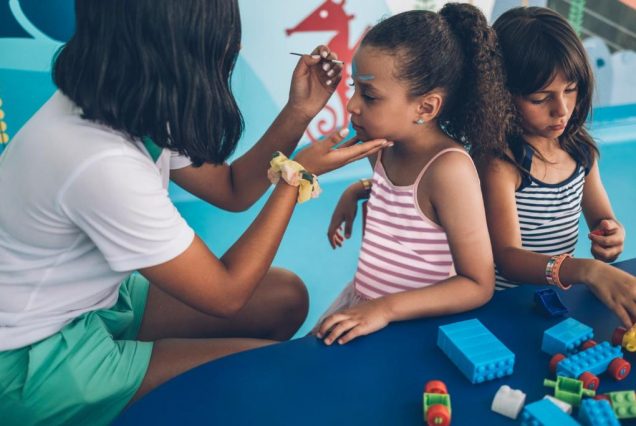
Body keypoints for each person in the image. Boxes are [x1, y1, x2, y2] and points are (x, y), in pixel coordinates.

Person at [0, 0, 390, 423]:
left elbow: (232, 189)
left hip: (92, 307)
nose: (235, 47)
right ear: (172, 45)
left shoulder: (127, 97)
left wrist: (299, 112)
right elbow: (226, 294)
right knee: (275, 374)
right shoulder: (99, 161)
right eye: (219, 35)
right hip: (32, 360)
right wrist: (295, 178)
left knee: (284, 298)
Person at [315, 3, 513, 346]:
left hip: (409, 327)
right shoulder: (383, 145)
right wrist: (356, 190)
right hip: (365, 305)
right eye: (354, 88)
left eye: (369, 95)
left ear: (426, 107)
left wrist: (385, 309)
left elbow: (477, 284)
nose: (352, 105)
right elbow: (404, 202)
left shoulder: (449, 170)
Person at [481, 6, 636, 327]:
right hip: (502, 307)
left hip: (554, 299)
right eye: (541, 98)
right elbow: (508, 258)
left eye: (571, 89)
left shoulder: (580, 151)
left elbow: (603, 218)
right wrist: (587, 270)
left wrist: (611, 235)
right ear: (501, 95)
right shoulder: (501, 163)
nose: (562, 109)